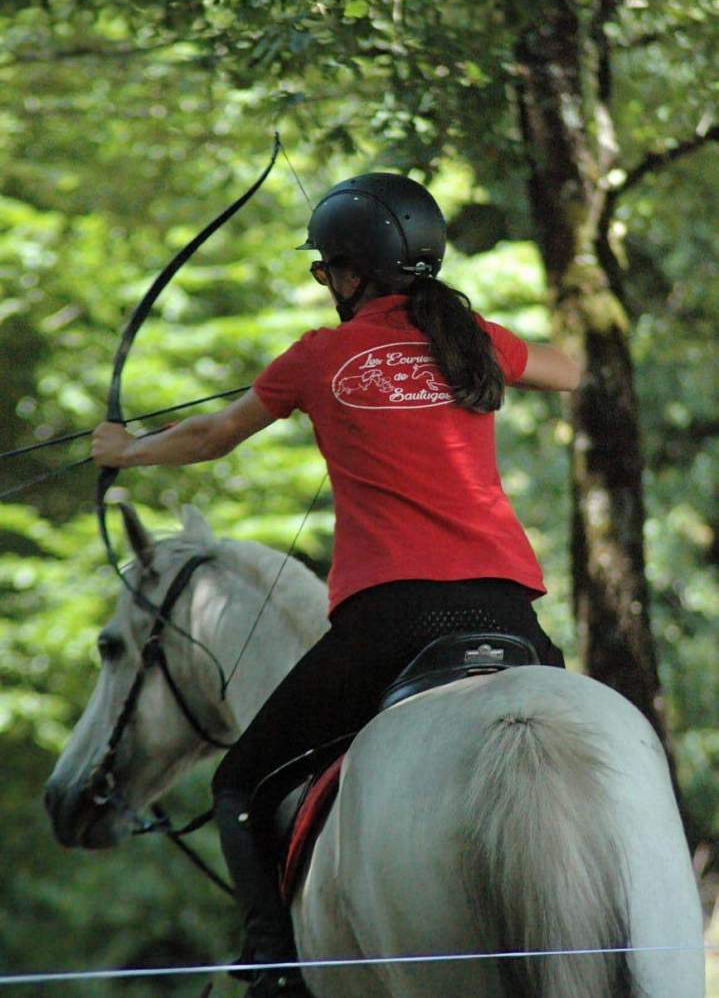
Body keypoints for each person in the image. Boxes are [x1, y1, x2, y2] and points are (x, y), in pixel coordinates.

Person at [93, 172, 580, 996]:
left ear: (353, 272)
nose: (326, 284)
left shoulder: (318, 356)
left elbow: (213, 434)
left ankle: (272, 966)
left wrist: (126, 449)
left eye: (326, 270)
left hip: (390, 618)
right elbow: (566, 370)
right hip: (509, 613)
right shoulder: (470, 338)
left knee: (239, 782)